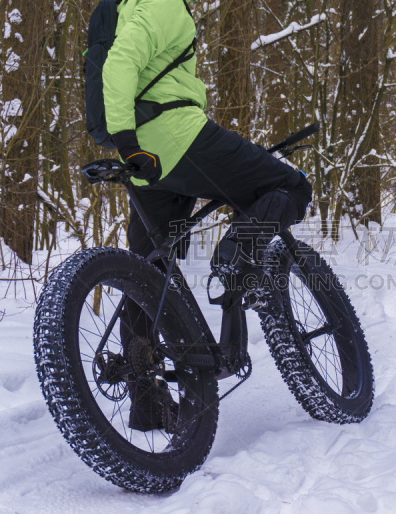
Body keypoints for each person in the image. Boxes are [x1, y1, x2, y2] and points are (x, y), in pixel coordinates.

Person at [103, 0, 312, 430]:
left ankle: (148, 403)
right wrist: (124, 139)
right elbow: (122, 61)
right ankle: (237, 254)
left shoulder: (122, 12)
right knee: (292, 186)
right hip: (176, 138)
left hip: (146, 165)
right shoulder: (160, 4)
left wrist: (130, 146)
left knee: (149, 276)